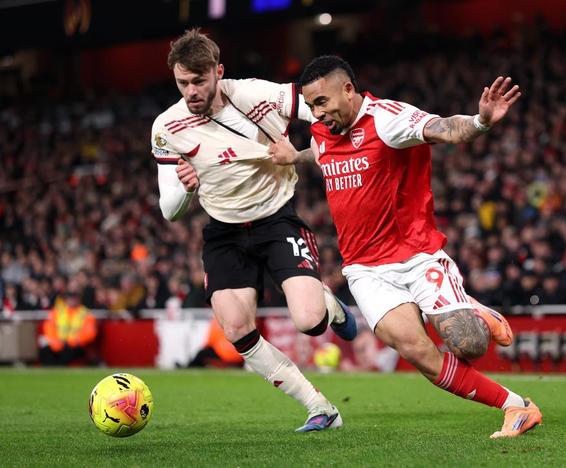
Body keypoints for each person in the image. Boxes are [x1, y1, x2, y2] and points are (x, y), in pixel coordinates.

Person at [268, 55, 542, 438]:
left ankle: (474, 309)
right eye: (312, 105)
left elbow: (445, 129)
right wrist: (293, 156)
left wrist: (480, 121)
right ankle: (517, 406)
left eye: (322, 102)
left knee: (469, 344)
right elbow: (321, 152)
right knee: (418, 352)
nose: (317, 113)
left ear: (348, 89)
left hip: (416, 255)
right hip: (364, 269)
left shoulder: (387, 119)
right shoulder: (322, 129)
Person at [150, 30, 357, 432]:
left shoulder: (256, 95)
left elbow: (323, 110)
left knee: (310, 321)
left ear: (218, 72)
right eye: (182, 83)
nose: (191, 91)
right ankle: (319, 407)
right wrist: (186, 190)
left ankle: (326, 303)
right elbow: (170, 210)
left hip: (276, 219)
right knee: (236, 329)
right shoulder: (167, 127)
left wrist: (310, 150)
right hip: (224, 231)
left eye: (199, 81)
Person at [39, 287, 98, 366]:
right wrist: (56, 342)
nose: (72, 300)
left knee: (67, 353)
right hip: (58, 344)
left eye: (74, 297)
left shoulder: (85, 314)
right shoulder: (57, 311)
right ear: (66, 299)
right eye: (70, 297)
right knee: (45, 351)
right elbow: (49, 328)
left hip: (75, 346)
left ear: (79, 299)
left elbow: (90, 333)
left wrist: (72, 342)